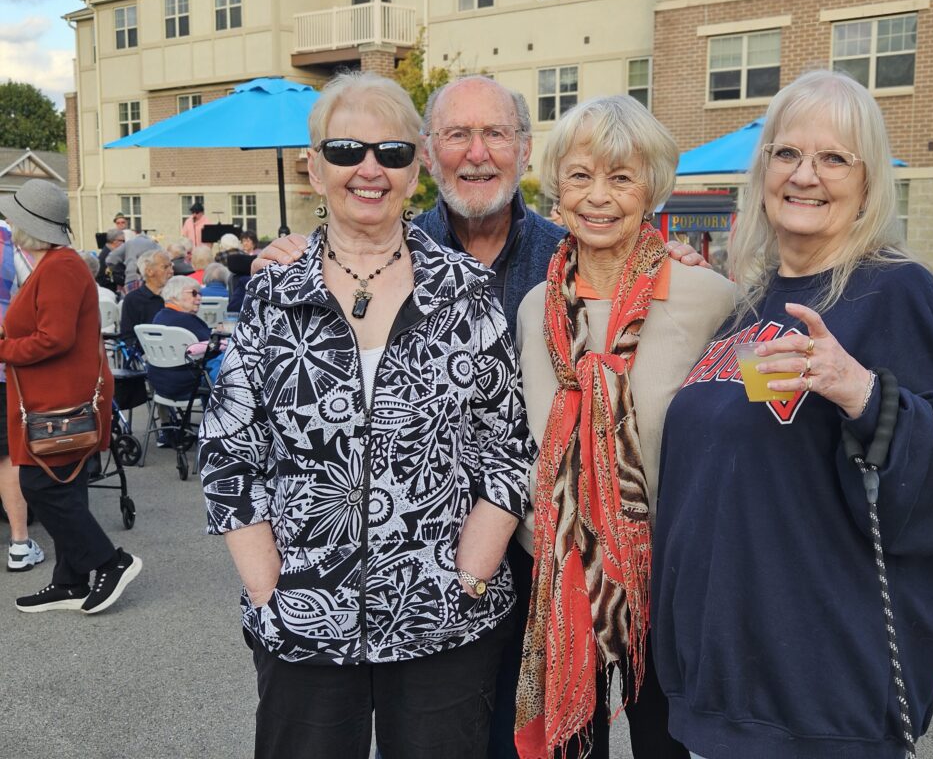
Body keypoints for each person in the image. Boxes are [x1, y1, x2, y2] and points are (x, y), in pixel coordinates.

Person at [253, 74, 707, 759]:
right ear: (429, 157)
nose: (477, 152)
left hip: (554, 556)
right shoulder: (377, 250)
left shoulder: (569, 249)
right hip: (424, 573)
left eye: (495, 133)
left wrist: (671, 257)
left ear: (525, 153)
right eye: (456, 135)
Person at [651, 70, 933, 759]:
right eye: (787, 154)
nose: (805, 175)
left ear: (867, 182)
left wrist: (864, 394)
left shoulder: (897, 291)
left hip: (816, 708)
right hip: (720, 694)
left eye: (834, 158)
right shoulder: (751, 304)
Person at [199, 72, 534, 759]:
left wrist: (470, 572)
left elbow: (506, 449)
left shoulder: (465, 294)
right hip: (302, 620)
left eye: (393, 151)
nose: (370, 169)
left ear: (418, 168)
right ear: (314, 167)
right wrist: (268, 587)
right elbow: (230, 450)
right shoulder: (274, 296)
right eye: (347, 150)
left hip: (446, 619)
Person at [513, 96, 735, 759]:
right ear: (557, 187)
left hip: (661, 575)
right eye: (581, 176)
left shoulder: (710, 299)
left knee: (662, 746)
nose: (599, 197)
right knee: (570, 747)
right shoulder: (533, 307)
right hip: (555, 570)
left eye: (621, 177)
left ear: (653, 187)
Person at [0, 179, 141, 614]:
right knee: (63, 486)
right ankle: (70, 581)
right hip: (58, 396)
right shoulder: (57, 262)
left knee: (43, 486)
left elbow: (54, 338)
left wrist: (2, 347)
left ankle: (110, 562)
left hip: (58, 400)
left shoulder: (58, 265)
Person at [0, 217, 43, 573]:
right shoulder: (7, 236)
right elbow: (35, 289)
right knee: (7, 456)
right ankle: (18, 542)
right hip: (2, 362)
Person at [148, 275, 222, 400]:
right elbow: (213, 347)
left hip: (160, 385)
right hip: (189, 386)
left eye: (200, 294)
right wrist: (221, 334)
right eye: (194, 293)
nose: (199, 298)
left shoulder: (160, 316)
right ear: (175, 295)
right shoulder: (186, 320)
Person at [120, 249, 173, 349]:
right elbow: (128, 336)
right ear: (149, 271)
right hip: (149, 354)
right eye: (165, 267)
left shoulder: (178, 295)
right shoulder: (133, 299)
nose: (171, 271)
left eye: (171, 266)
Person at [97, 227, 124, 294]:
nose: (124, 244)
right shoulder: (109, 256)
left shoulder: (108, 252)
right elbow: (117, 277)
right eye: (123, 241)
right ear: (115, 241)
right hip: (109, 291)